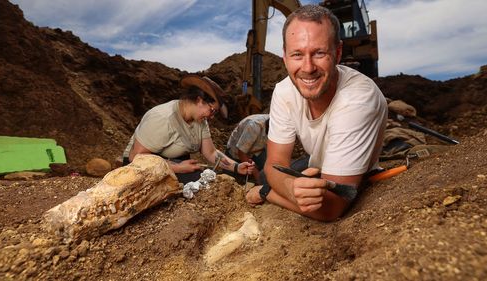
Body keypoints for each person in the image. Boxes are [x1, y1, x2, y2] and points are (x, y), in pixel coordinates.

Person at [246, 5, 387, 222]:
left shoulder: (357, 99)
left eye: (319, 53)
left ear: (337, 53)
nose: (308, 67)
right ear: (284, 57)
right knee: (266, 174)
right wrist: (291, 187)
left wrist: (269, 192)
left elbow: (330, 208)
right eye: (297, 54)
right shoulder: (284, 91)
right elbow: (274, 163)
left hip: (349, 173)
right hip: (319, 164)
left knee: (269, 183)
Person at [123, 74, 255, 183]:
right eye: (212, 110)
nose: (212, 117)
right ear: (199, 100)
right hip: (141, 165)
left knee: (203, 180)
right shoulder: (163, 118)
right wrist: (178, 168)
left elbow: (210, 152)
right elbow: (136, 157)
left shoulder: (200, 120)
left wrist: (237, 167)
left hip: (175, 162)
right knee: (199, 183)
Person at [225, 114, 269, 184]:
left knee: (268, 170)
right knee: (230, 181)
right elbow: (241, 153)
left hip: (258, 150)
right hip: (236, 152)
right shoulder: (254, 126)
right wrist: (257, 176)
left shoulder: (280, 124)